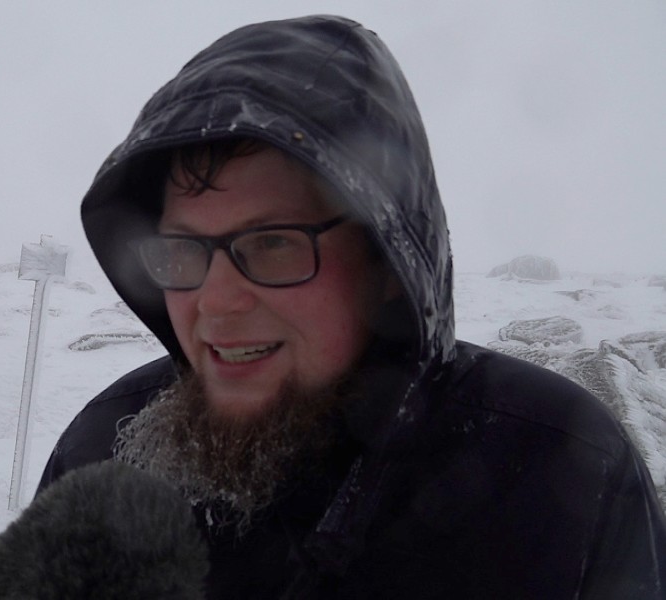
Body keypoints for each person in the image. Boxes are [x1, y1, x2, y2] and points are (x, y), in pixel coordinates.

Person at [35, 15, 666, 598]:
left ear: (386, 263)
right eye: (182, 251)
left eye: (273, 243)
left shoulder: (558, 474)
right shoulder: (103, 453)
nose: (215, 303)